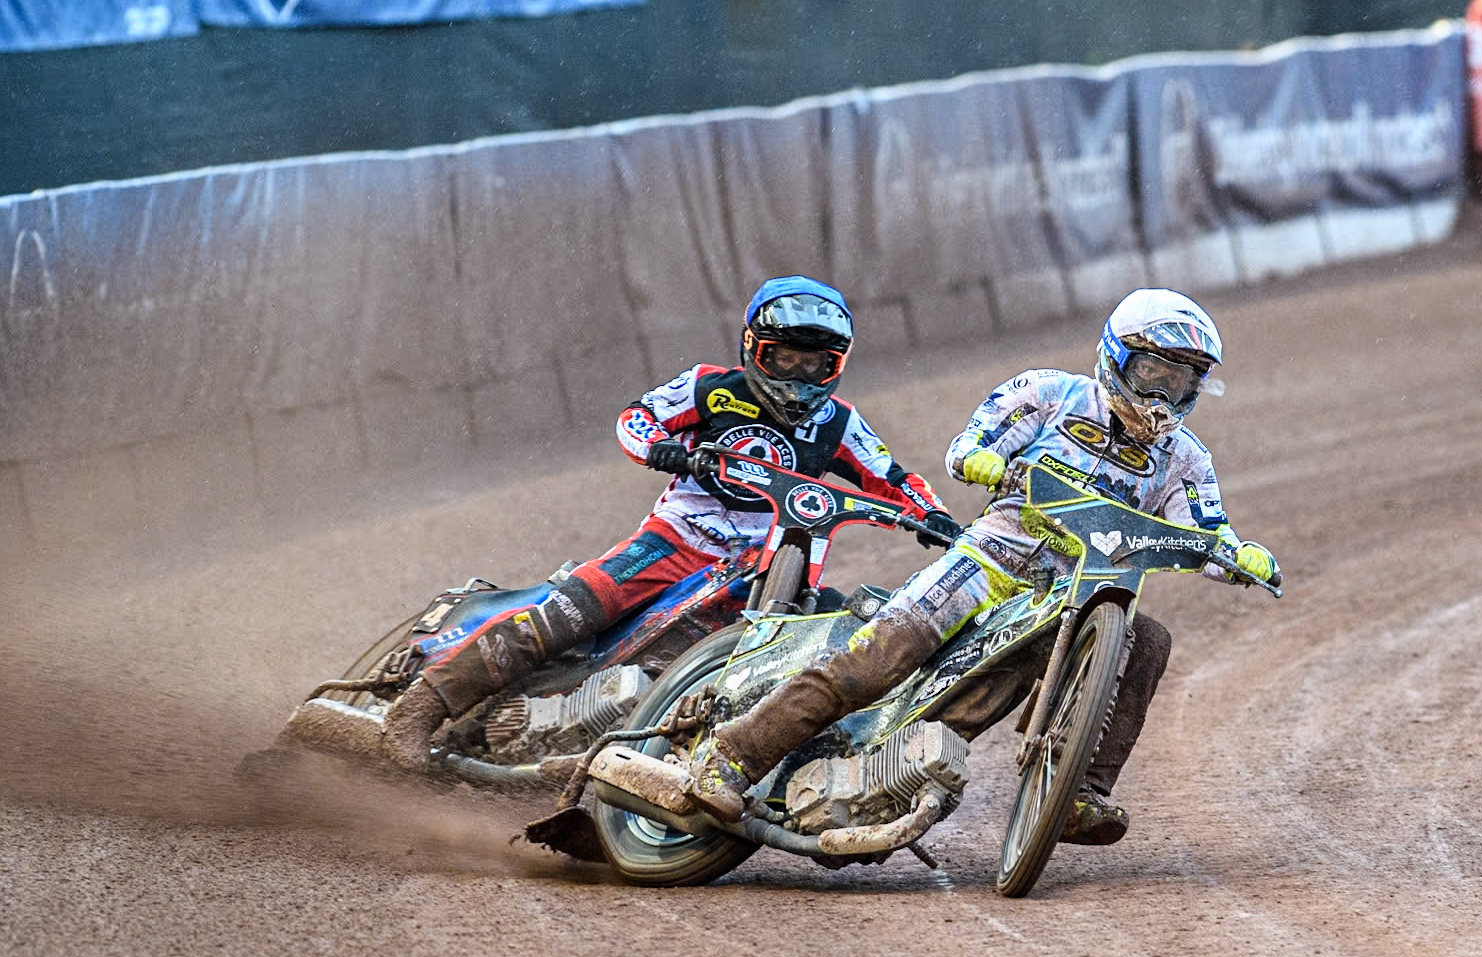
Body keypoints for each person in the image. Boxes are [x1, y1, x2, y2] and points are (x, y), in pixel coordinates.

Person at [687, 287, 1280, 846]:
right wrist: (999, 471)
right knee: (879, 660)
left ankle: (1079, 791)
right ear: (1116, 357)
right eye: (1153, 374)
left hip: (1065, 597)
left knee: (1146, 640)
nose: (1162, 397)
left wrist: (1242, 556)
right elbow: (964, 452)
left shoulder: (1185, 460)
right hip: (988, 561)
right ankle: (732, 756)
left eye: (1181, 383)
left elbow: (1208, 536)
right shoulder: (1049, 393)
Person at [381, 275, 962, 770]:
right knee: (577, 610)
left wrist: (933, 515)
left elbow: (895, 478)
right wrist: (659, 449)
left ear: (835, 365)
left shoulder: (842, 423)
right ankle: (425, 705)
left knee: (827, 642)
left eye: (815, 363)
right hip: (679, 539)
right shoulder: (709, 387)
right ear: (754, 348)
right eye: (785, 358)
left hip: (775, 563)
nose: (798, 375)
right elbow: (638, 417)